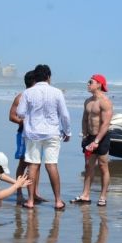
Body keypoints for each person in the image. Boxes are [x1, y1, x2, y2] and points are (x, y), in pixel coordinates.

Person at [16, 64, 71, 211]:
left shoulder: (28, 93)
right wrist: (68, 132)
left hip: (33, 133)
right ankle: (58, 201)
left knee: (33, 165)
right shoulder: (57, 92)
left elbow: (20, 112)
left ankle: (30, 201)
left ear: (35, 77)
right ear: (48, 77)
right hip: (52, 132)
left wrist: (31, 114)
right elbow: (65, 115)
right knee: (51, 165)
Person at [71, 74, 114, 206]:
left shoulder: (105, 102)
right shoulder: (88, 101)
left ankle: (102, 196)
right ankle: (85, 195)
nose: (88, 84)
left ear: (99, 84)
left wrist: (96, 141)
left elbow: (106, 124)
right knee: (88, 166)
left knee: (102, 166)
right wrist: (84, 136)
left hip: (101, 137)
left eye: (91, 82)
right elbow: (85, 119)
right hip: (89, 137)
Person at [8, 71, 44, 204]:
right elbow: (12, 116)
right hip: (23, 134)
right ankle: (19, 192)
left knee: (36, 164)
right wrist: (25, 122)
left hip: (38, 135)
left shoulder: (39, 97)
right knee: (23, 163)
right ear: (34, 82)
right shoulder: (21, 97)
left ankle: (35, 193)